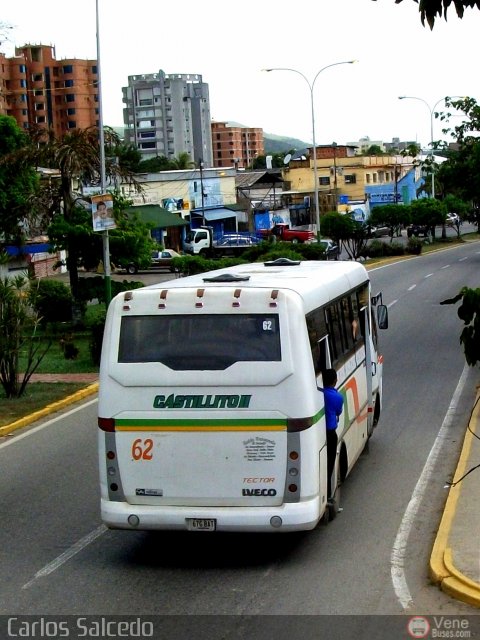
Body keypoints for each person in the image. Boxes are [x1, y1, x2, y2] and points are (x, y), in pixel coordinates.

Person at [320, 368, 344, 502]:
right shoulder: (337, 397)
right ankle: (328, 495)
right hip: (330, 434)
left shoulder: (318, 394)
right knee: (329, 465)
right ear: (335, 381)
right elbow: (338, 412)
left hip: (317, 433)